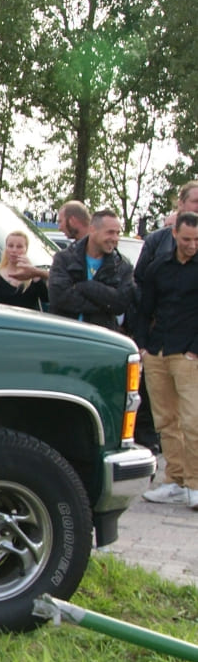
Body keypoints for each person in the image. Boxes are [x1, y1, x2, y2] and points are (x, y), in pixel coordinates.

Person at [132, 212, 198, 506]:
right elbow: (144, 308)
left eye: (197, 240)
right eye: (187, 239)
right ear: (174, 235)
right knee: (165, 421)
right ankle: (174, 479)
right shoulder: (158, 267)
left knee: (193, 421)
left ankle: (195, 484)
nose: (192, 245)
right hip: (158, 351)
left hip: (189, 353)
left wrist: (194, 350)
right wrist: (143, 346)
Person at [47, 210, 135, 329]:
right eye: (110, 232)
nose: (115, 238)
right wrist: (105, 305)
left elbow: (120, 304)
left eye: (117, 233)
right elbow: (59, 298)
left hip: (99, 341)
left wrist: (86, 286)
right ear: (92, 230)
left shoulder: (122, 266)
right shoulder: (64, 259)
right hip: (64, 336)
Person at [0, 230, 51, 311]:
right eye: (10, 246)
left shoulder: (33, 276)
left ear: (26, 249)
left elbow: (46, 298)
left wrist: (34, 273)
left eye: (19, 247)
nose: (14, 250)